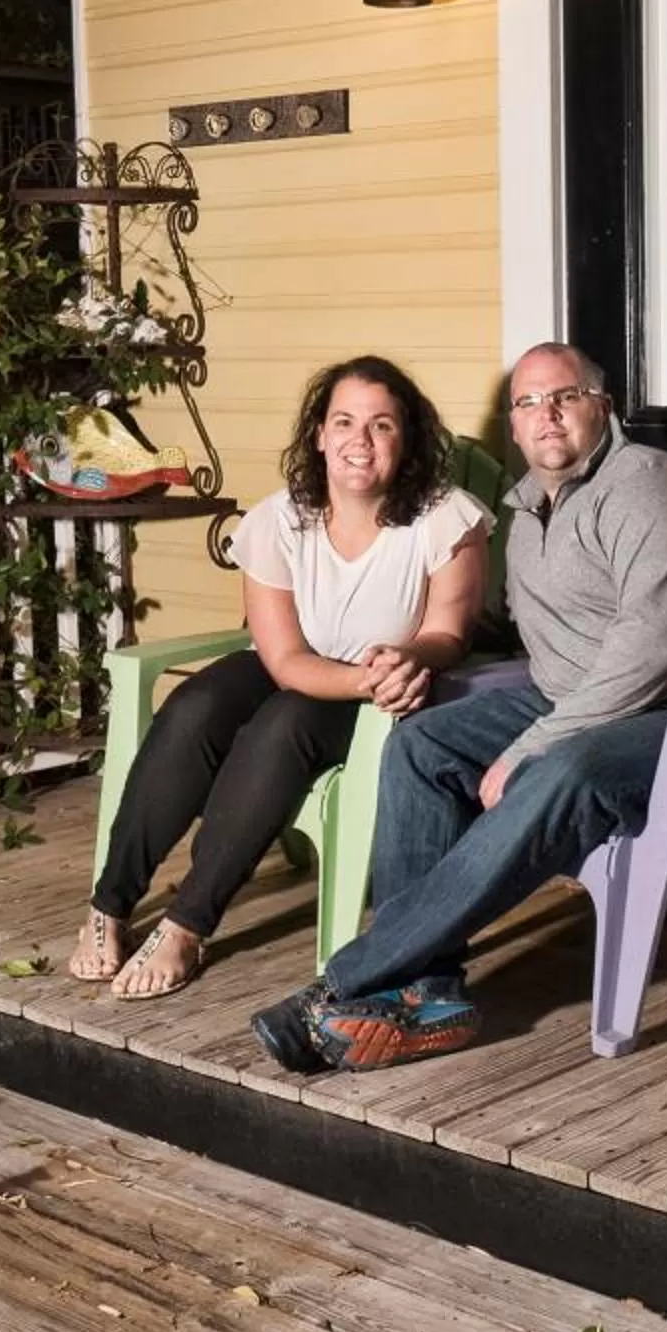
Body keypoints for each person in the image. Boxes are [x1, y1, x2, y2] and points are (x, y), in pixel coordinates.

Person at [249, 341, 667, 1072]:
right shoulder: (527, 511)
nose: (546, 416)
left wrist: (533, 745)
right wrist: (412, 653)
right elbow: (513, 629)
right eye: (527, 403)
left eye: (564, 396)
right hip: (583, 708)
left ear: (603, 406)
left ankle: (351, 978)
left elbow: (652, 656)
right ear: (515, 426)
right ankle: (424, 996)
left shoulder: (652, 490)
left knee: (564, 769)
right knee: (423, 744)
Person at [70, 356, 488, 999]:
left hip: (385, 693)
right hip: (307, 667)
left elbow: (447, 633)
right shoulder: (279, 520)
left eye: (382, 425)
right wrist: (357, 680)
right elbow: (284, 660)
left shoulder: (445, 518)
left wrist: (410, 661)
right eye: (344, 421)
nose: (360, 440)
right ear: (319, 435)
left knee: (285, 722)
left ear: (406, 441)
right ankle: (110, 903)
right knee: (193, 707)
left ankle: (188, 922)